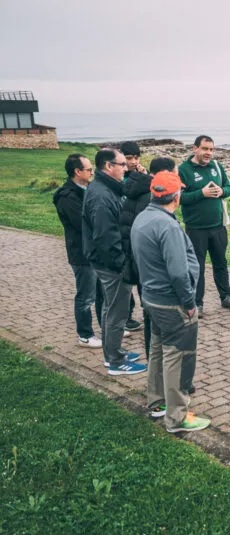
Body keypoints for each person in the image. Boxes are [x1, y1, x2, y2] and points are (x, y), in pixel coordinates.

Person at [131, 171, 210, 433]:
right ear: (176, 198)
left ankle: (158, 402)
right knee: (179, 356)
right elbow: (178, 272)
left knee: (157, 350)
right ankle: (176, 417)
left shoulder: (143, 217)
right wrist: (189, 302)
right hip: (171, 302)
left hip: (151, 298)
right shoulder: (167, 225)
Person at [81, 148, 147, 375]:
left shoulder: (104, 187)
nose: (126, 168)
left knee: (111, 309)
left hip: (107, 261)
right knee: (117, 312)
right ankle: (116, 361)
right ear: (109, 166)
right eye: (122, 164)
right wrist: (122, 264)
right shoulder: (101, 195)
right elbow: (105, 236)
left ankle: (112, 353)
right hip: (111, 264)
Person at [177, 135, 230, 317]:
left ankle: (226, 296)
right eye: (205, 149)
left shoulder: (217, 166)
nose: (209, 153)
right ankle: (197, 303)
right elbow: (179, 198)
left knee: (221, 263)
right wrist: (201, 193)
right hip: (196, 228)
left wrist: (222, 191)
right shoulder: (183, 170)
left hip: (218, 226)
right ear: (195, 148)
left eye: (211, 149)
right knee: (197, 266)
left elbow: (228, 188)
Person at [120, 156, 176, 358]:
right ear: (164, 174)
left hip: (138, 261)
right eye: (174, 173)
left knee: (149, 313)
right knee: (154, 317)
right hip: (149, 266)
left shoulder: (139, 189)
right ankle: (157, 361)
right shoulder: (149, 198)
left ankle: (155, 360)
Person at [53, 153, 103, 348]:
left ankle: (107, 328)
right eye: (89, 169)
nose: (92, 173)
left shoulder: (88, 189)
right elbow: (83, 223)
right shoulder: (66, 196)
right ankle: (85, 335)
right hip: (81, 253)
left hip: (95, 250)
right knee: (86, 296)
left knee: (101, 293)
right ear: (77, 171)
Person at [119, 141, 147, 333]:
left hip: (138, 233)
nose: (133, 162)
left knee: (143, 279)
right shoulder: (119, 178)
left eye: (136, 158)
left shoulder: (140, 176)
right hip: (123, 234)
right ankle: (126, 317)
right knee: (127, 280)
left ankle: (147, 311)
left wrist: (145, 178)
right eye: (129, 158)